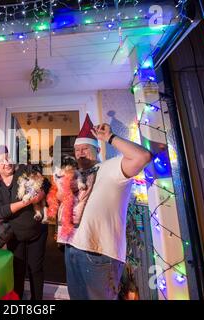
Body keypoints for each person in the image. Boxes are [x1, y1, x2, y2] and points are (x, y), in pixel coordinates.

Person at [61, 114, 152, 300]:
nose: (80, 153)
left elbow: (142, 156)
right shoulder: (76, 177)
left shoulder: (111, 168)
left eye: (85, 148)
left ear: (96, 148)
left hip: (99, 254)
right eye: (77, 150)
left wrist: (110, 138)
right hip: (72, 248)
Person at [0, 145, 48, 300]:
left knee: (36, 269)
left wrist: (40, 194)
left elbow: (45, 183)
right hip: (14, 236)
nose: (7, 163)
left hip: (36, 232)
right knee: (17, 271)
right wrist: (25, 203)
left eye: (8, 158)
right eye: (2, 161)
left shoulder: (23, 171)